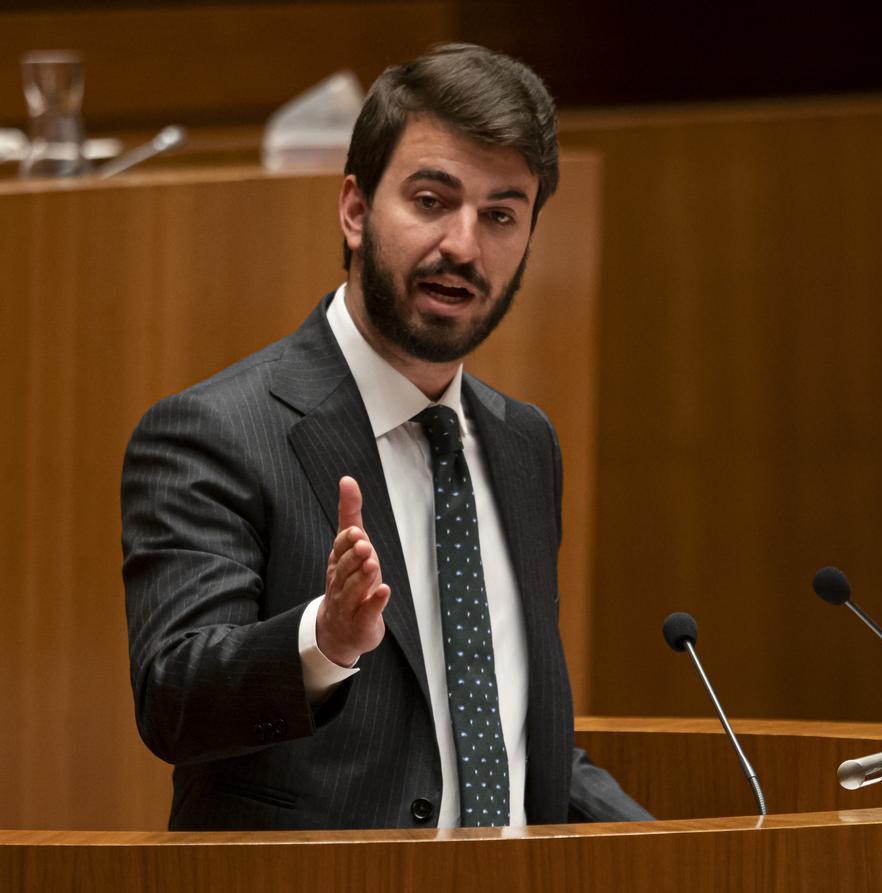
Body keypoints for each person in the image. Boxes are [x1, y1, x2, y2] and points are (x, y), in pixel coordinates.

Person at [122, 43, 650, 831]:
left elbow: (505, 726)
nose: (465, 246)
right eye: (433, 201)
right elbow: (174, 700)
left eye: (501, 215)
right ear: (356, 210)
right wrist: (322, 641)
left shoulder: (523, 443)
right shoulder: (215, 431)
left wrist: (680, 851)